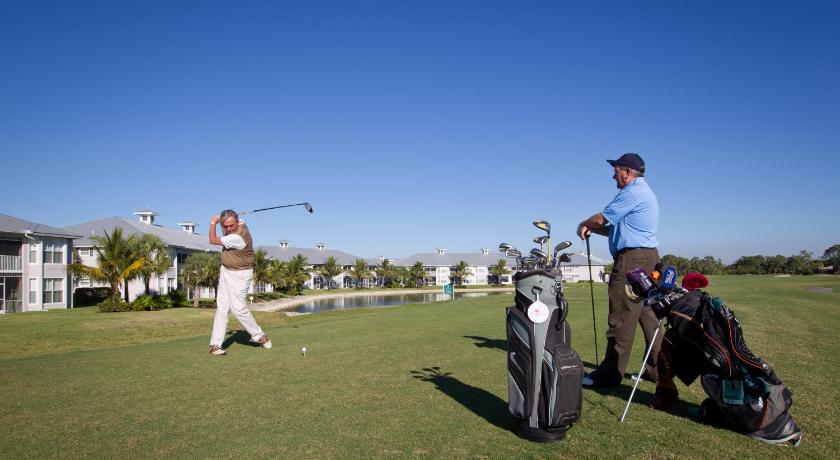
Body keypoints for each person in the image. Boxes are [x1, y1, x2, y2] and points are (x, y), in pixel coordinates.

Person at [575, 153, 661, 387]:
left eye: (617, 169)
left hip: (632, 260)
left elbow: (602, 219)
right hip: (648, 258)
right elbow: (616, 228)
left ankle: (609, 376)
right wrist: (594, 228)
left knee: (621, 318)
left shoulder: (631, 192)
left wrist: (584, 223)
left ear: (628, 172)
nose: (614, 174)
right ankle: (656, 371)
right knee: (648, 316)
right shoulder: (643, 192)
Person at [208, 209, 272, 355]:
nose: (229, 229)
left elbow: (212, 240)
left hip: (240, 275)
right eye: (225, 226)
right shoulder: (239, 223)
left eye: (231, 225)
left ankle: (260, 336)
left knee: (238, 309)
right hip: (226, 270)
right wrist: (223, 221)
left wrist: (214, 221)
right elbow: (230, 224)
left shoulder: (238, 237)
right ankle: (215, 345)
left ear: (237, 222)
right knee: (222, 307)